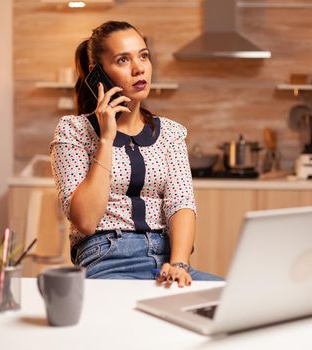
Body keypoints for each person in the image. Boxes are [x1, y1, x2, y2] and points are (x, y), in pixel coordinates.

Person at [50, 21, 222, 287]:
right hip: (108, 259)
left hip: (167, 261)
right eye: (122, 60)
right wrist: (107, 138)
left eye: (143, 56)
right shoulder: (73, 131)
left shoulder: (171, 133)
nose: (139, 68)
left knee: (236, 300)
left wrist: (178, 264)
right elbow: (85, 220)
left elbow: (181, 204)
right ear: (99, 75)